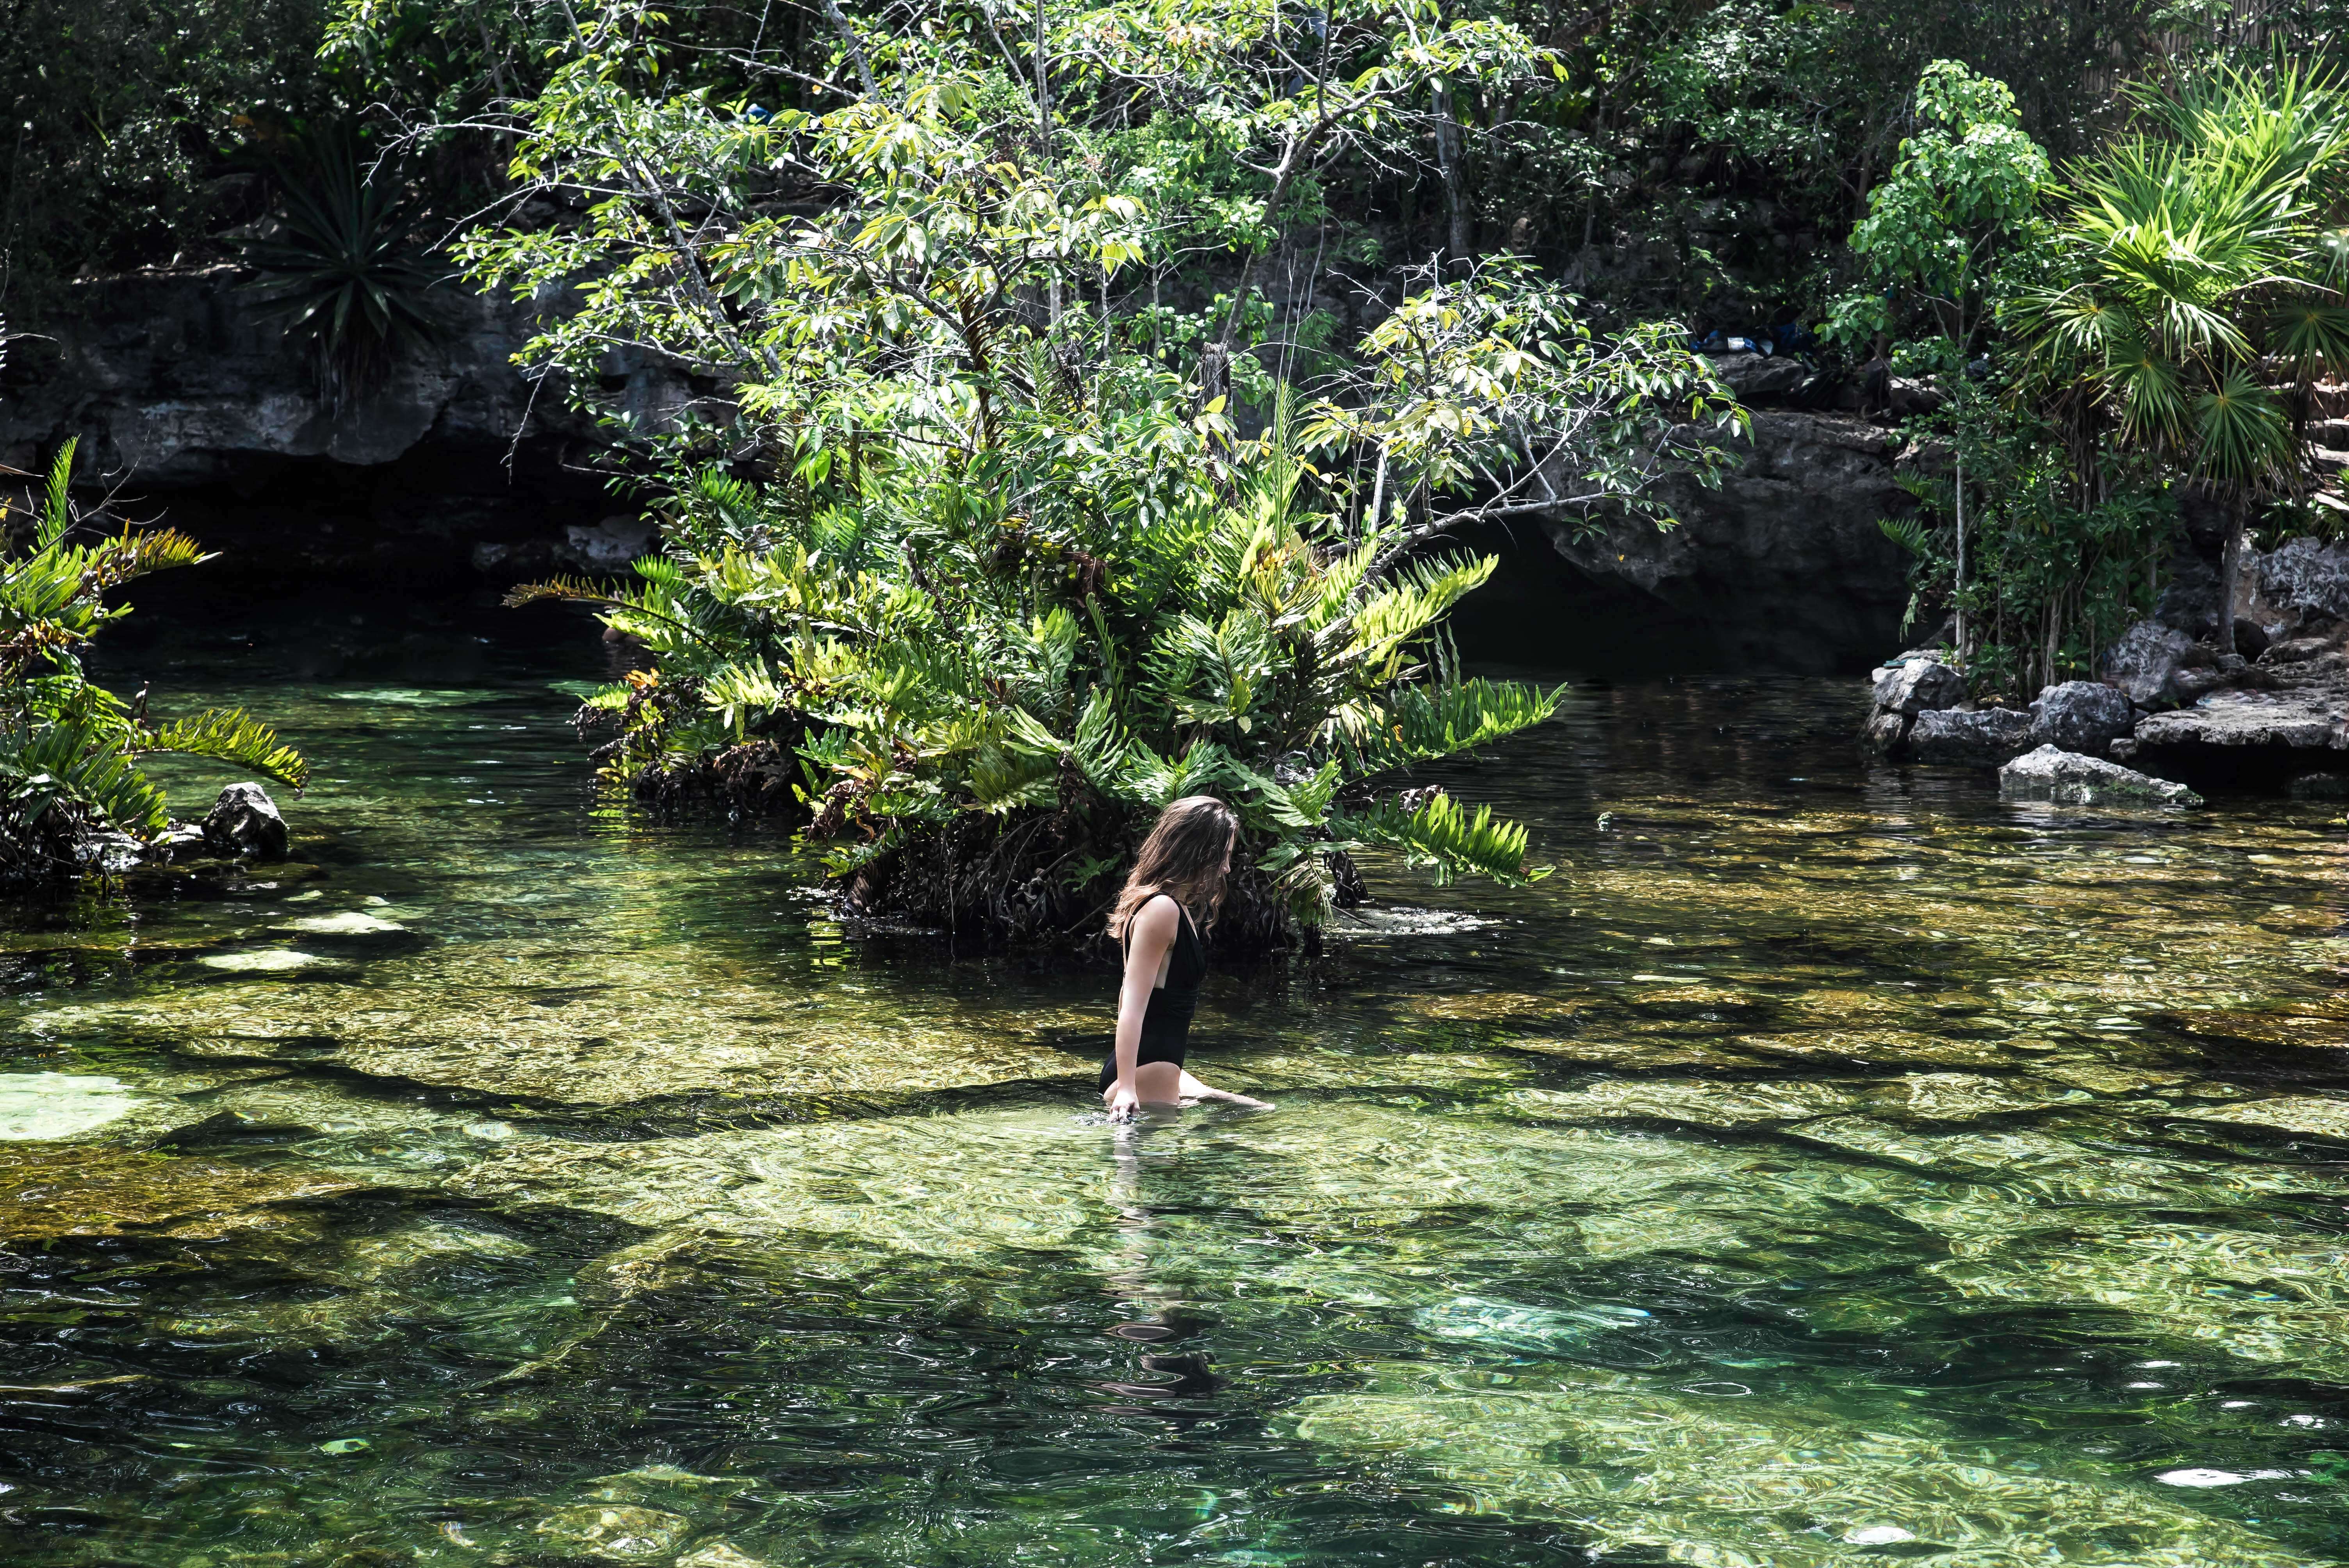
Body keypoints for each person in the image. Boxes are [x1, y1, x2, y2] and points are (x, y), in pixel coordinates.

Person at [1100, 795, 1274, 1120]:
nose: (1227, 867)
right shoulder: (1161, 910)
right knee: (1152, 1170)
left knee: (1258, 1109)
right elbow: (1132, 1006)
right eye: (1223, 856)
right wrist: (1127, 1088)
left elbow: (1127, 997)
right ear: (1199, 853)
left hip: (1154, 1066)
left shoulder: (1169, 908)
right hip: (1148, 1072)